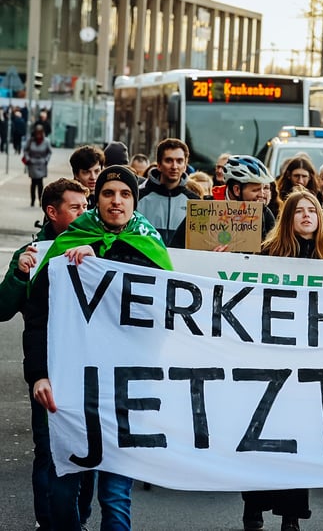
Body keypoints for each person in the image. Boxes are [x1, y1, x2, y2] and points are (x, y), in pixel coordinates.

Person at [24, 166, 173, 531]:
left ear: (134, 201)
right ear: (97, 198)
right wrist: (39, 375)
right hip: (71, 381)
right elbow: (40, 318)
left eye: (125, 194)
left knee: (116, 494)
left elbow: (167, 305)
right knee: (63, 489)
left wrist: (106, 256)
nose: (116, 201)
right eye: (109, 193)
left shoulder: (149, 245)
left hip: (125, 384)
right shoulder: (66, 244)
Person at [241, 188, 323, 531]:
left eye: (313, 210)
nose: (307, 215)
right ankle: (253, 505)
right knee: (262, 437)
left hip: (309, 364)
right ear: (288, 218)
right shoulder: (264, 255)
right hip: (269, 359)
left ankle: (292, 515)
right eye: (300, 211)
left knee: (299, 440)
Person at [0, 178, 91, 530]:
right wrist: (20, 275)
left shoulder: (99, 247)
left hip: (90, 367)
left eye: (86, 207)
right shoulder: (34, 253)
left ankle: (79, 518)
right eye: (76, 208)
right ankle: (49, 522)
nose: (84, 213)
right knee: (48, 448)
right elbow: (4, 307)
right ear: (52, 213)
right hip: (48, 368)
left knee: (89, 448)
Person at [137, 137, 199, 244]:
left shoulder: (195, 202)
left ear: (185, 165)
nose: (174, 166)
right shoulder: (138, 198)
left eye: (179, 161)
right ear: (159, 165)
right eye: (169, 160)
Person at [25, 123, 52, 207]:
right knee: (33, 182)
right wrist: (28, 158)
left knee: (40, 182)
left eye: (40, 133)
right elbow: (26, 150)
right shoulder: (31, 140)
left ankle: (41, 200)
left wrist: (46, 160)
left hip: (41, 164)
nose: (38, 135)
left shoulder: (46, 141)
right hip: (32, 163)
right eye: (37, 133)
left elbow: (49, 152)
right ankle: (32, 200)